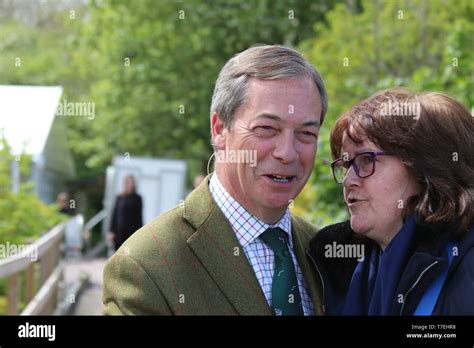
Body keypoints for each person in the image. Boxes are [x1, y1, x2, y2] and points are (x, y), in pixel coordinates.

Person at [103, 44, 328, 315]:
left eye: (306, 134)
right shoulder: (145, 267)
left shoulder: (325, 252)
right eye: (267, 129)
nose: (287, 153)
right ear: (220, 129)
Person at [309, 88, 474, 315]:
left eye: (366, 160)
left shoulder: (466, 265)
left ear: (425, 169)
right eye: (346, 165)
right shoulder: (333, 264)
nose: (349, 180)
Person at [108, 175, 143, 251]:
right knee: (117, 254)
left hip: (131, 232)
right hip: (119, 232)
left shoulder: (137, 198)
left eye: (131, 182)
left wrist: (140, 233)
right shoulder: (119, 197)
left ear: (134, 184)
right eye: (127, 182)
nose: (129, 184)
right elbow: (114, 214)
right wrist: (111, 231)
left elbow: (139, 217)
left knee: (128, 253)